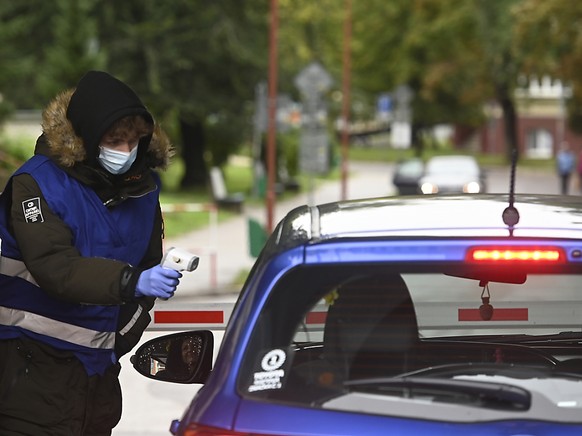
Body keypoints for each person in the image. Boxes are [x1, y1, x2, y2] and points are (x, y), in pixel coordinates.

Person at [0, 71, 183, 435]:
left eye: (134, 141)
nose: (126, 151)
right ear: (86, 136)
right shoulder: (35, 184)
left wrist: (120, 339)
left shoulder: (142, 190)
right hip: (26, 378)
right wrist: (132, 281)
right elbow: (56, 267)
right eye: (115, 139)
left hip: (95, 384)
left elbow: (145, 271)